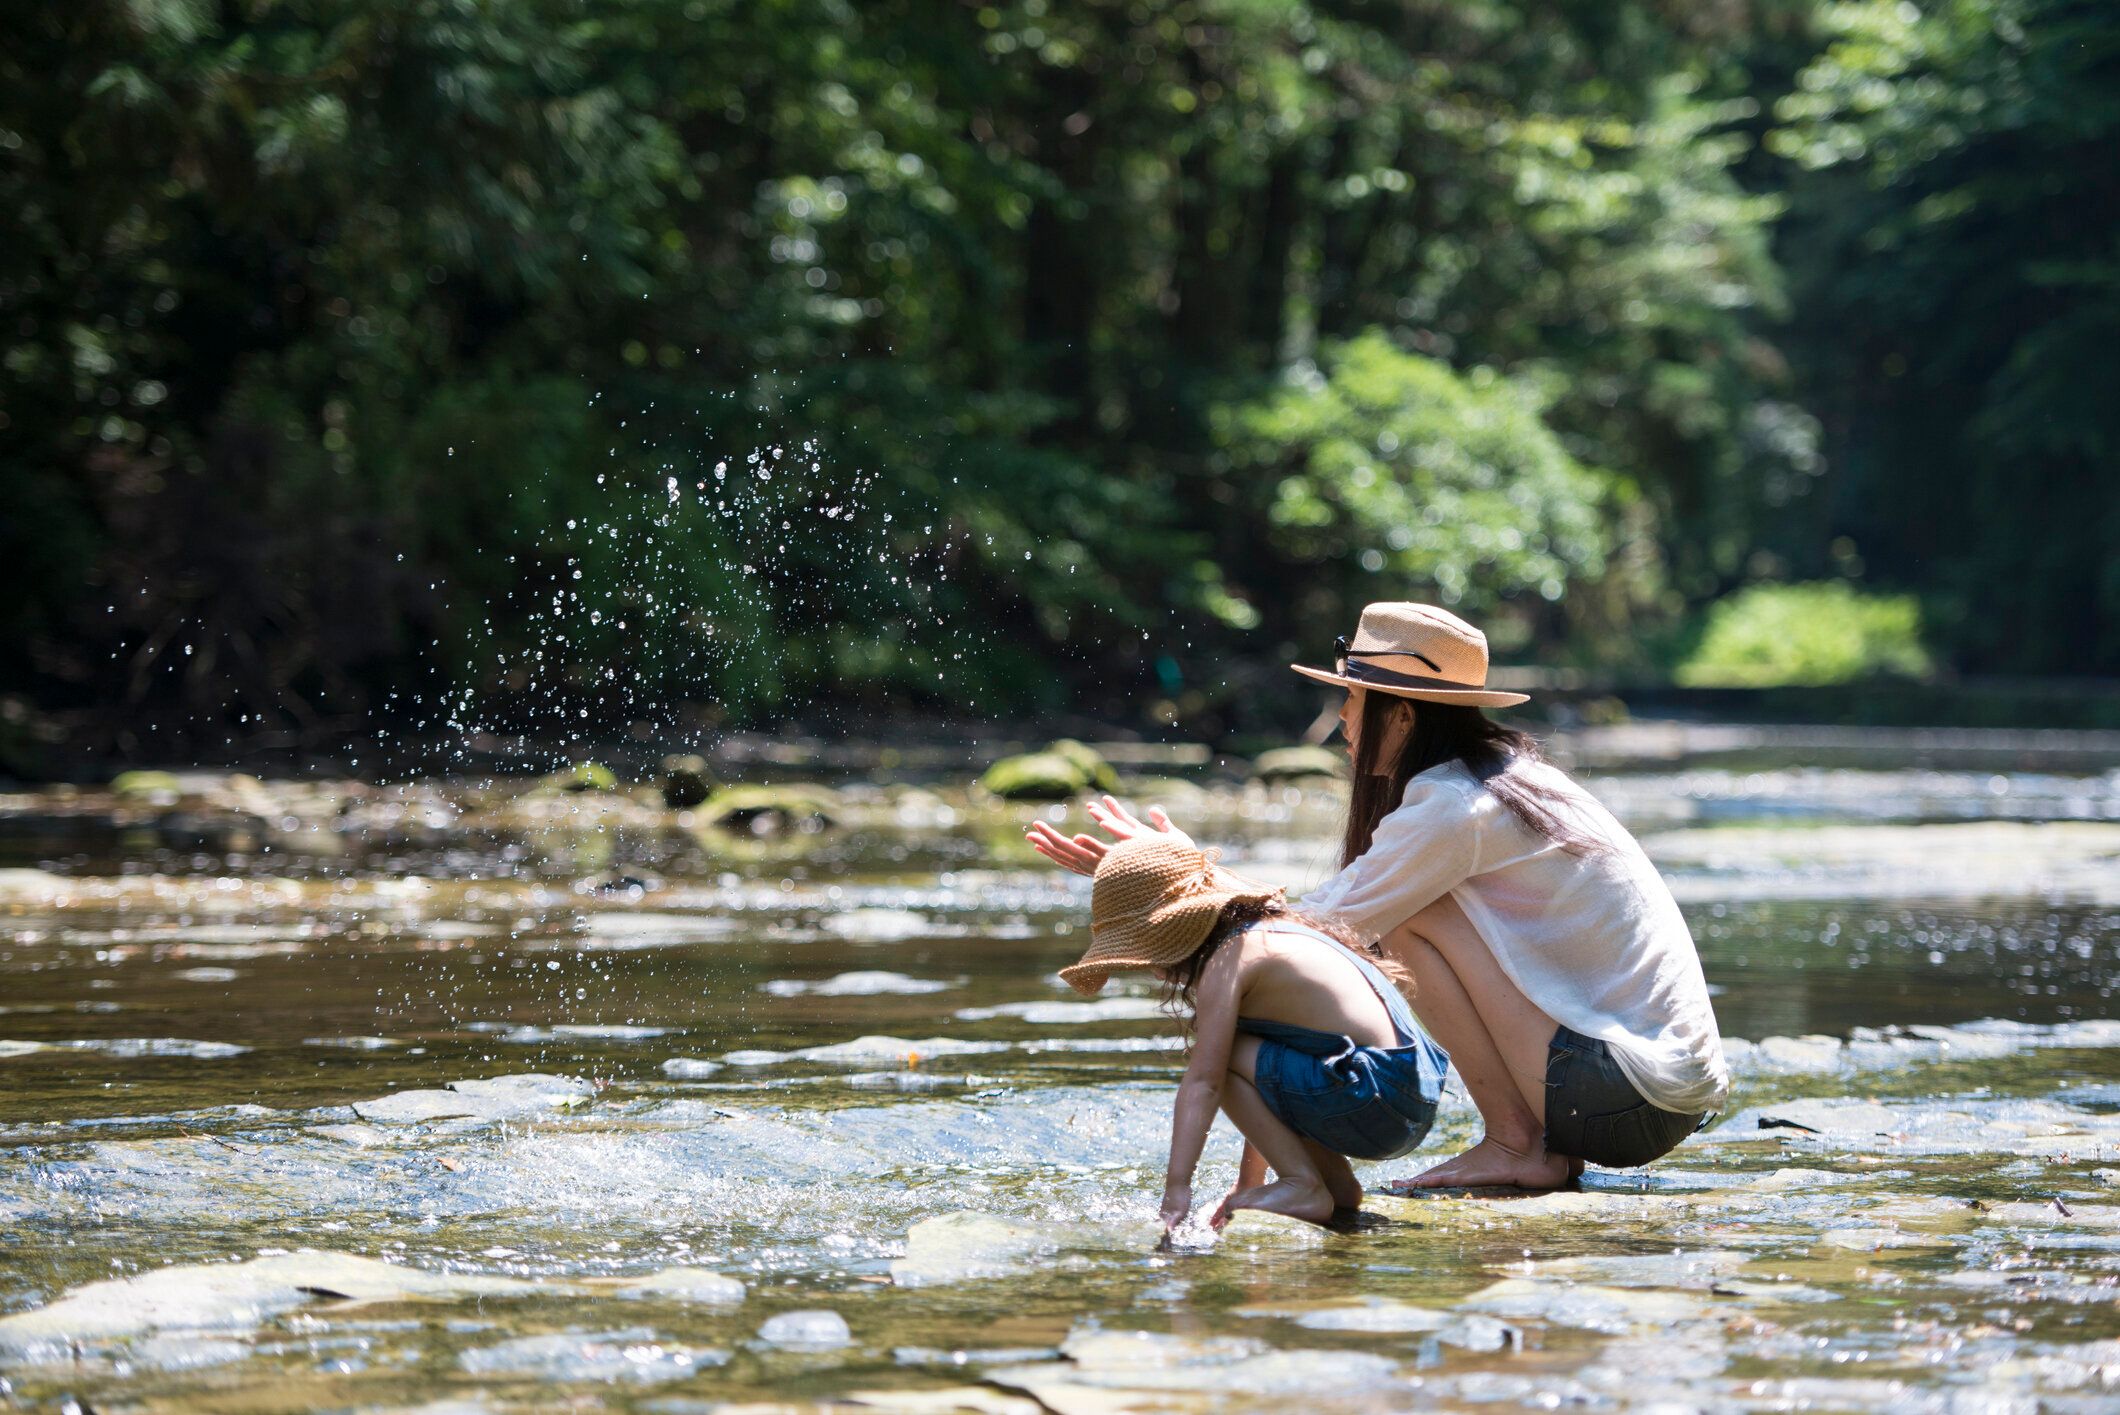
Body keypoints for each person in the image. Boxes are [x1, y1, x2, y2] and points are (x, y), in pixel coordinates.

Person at [1029, 601, 1728, 1192]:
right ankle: (1523, 1141)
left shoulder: (1455, 807)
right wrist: (1181, 874)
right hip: (1652, 1089)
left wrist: (1177, 881)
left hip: (1624, 1094)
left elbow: (1311, 930)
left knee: (1409, 917)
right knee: (1396, 913)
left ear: (1401, 716)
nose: (1341, 722)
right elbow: (1316, 914)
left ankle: (1518, 1145)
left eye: (1353, 700)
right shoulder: (1507, 778)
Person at [1060, 834, 1449, 1230]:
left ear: (1176, 929)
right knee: (1265, 1056)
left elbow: (1204, 1084)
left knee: (1223, 1056)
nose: (1151, 968)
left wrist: (1177, 1191)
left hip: (1374, 1097)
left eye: (1145, 950)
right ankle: (1333, 1186)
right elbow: (1269, 1081)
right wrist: (1249, 1183)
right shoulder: (1276, 929)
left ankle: (1302, 1184)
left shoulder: (1232, 959)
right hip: (1409, 1093)